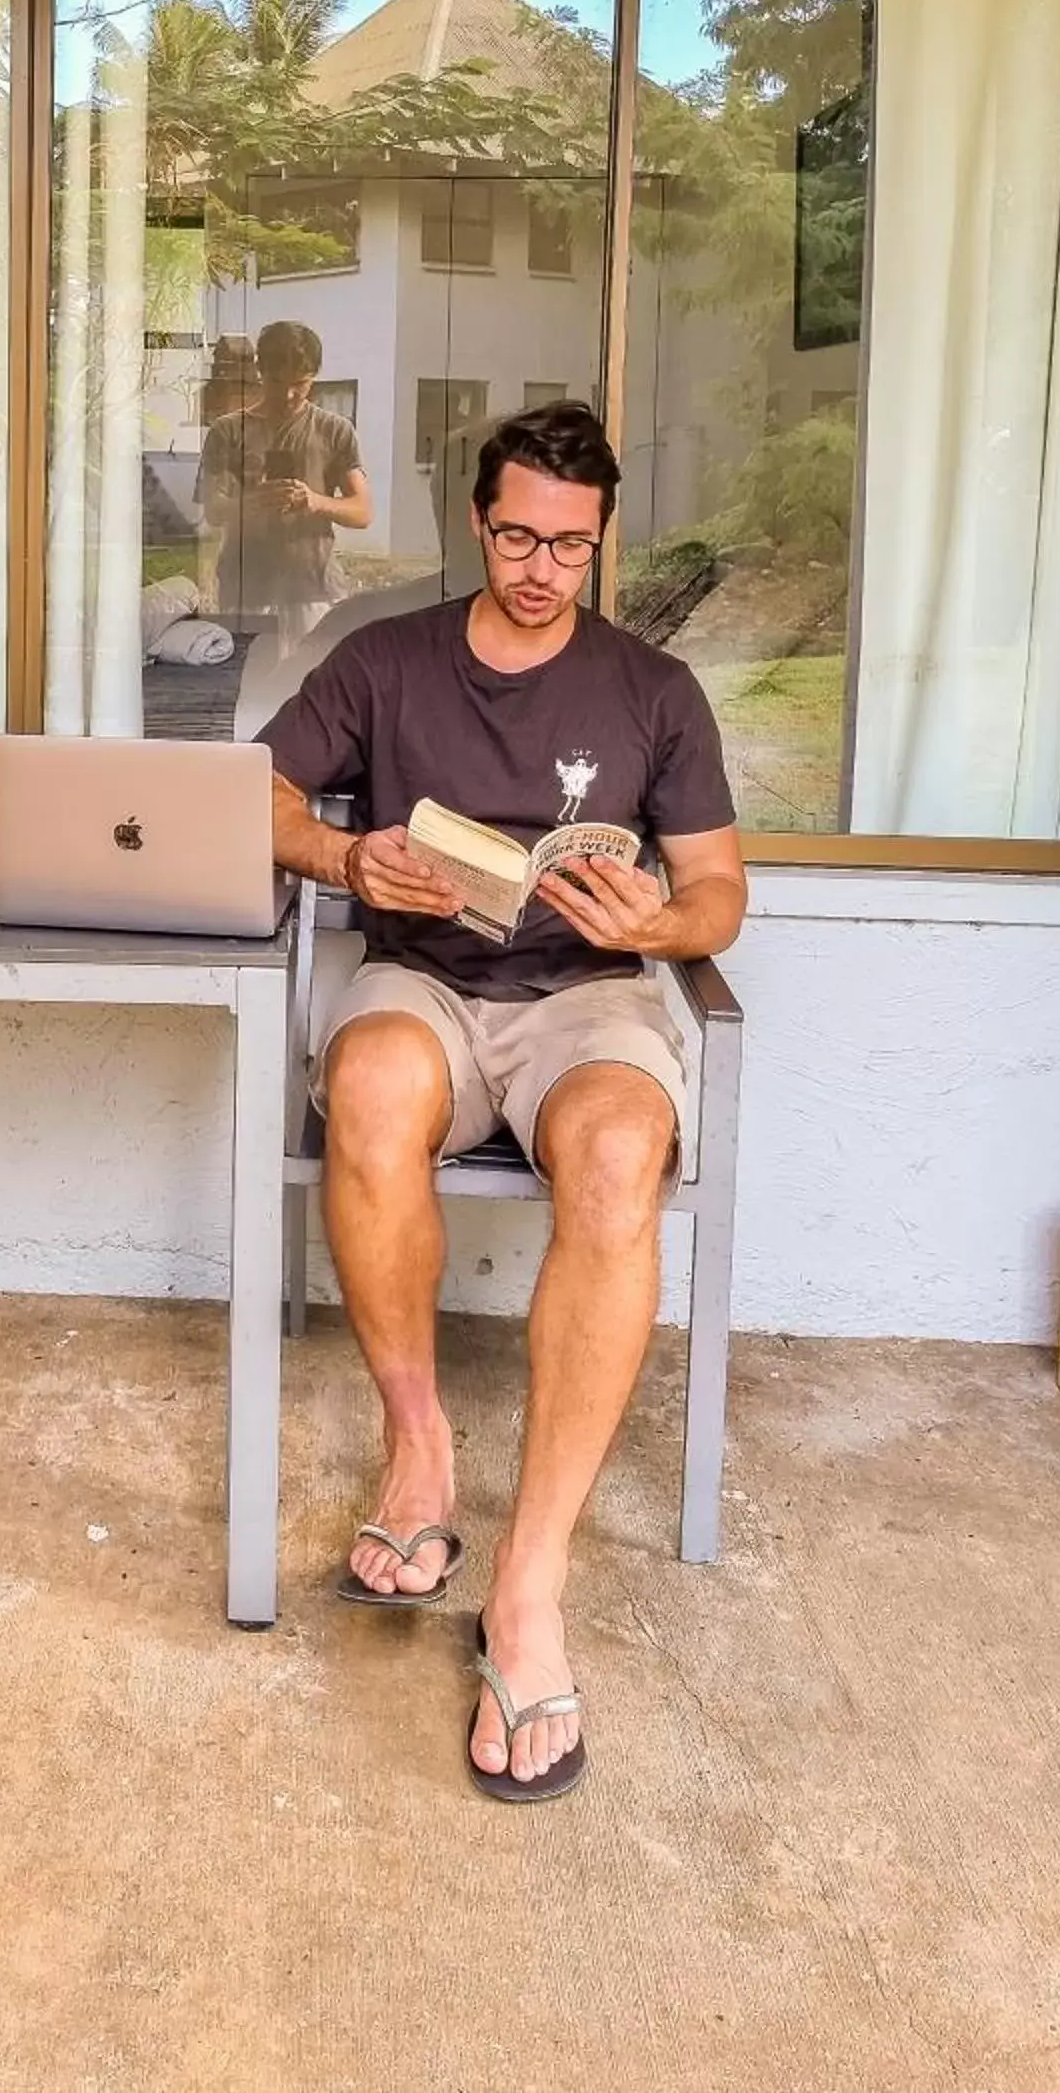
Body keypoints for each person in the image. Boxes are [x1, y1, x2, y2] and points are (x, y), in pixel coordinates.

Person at [262, 399, 745, 1804]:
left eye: (572, 547)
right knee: (364, 1086)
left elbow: (721, 891)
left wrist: (659, 920)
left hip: (585, 1000)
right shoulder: (386, 663)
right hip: (424, 978)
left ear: (601, 543)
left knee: (616, 1151)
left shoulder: (653, 692)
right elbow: (261, 799)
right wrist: (348, 861)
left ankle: (527, 1586)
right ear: (477, 524)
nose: (542, 568)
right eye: (519, 536)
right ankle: (419, 1452)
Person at [199, 320, 371, 643]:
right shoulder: (226, 431)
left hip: (312, 588)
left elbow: (362, 512)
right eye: (278, 382)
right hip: (246, 588)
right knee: (250, 683)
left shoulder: (335, 430)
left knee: (311, 686)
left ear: (314, 378)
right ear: (260, 372)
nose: (290, 394)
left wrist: (314, 501)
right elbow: (213, 509)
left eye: (301, 383)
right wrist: (252, 501)